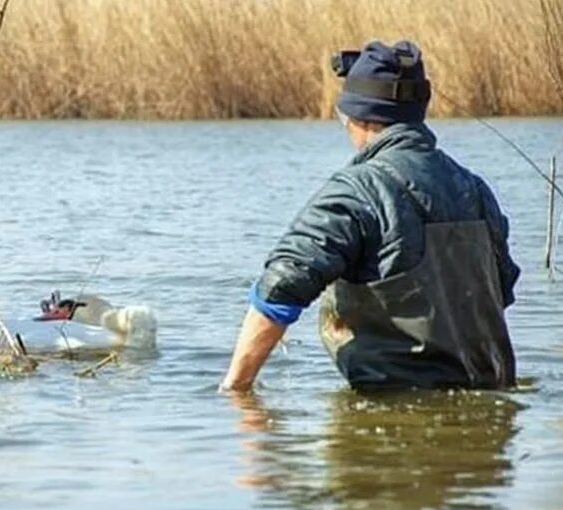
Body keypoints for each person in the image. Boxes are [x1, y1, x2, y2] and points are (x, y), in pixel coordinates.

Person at [221, 40, 519, 392]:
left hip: (398, 408)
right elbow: (503, 288)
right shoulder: (474, 188)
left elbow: (280, 290)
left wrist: (234, 391)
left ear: (357, 117)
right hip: (491, 405)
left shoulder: (356, 191)